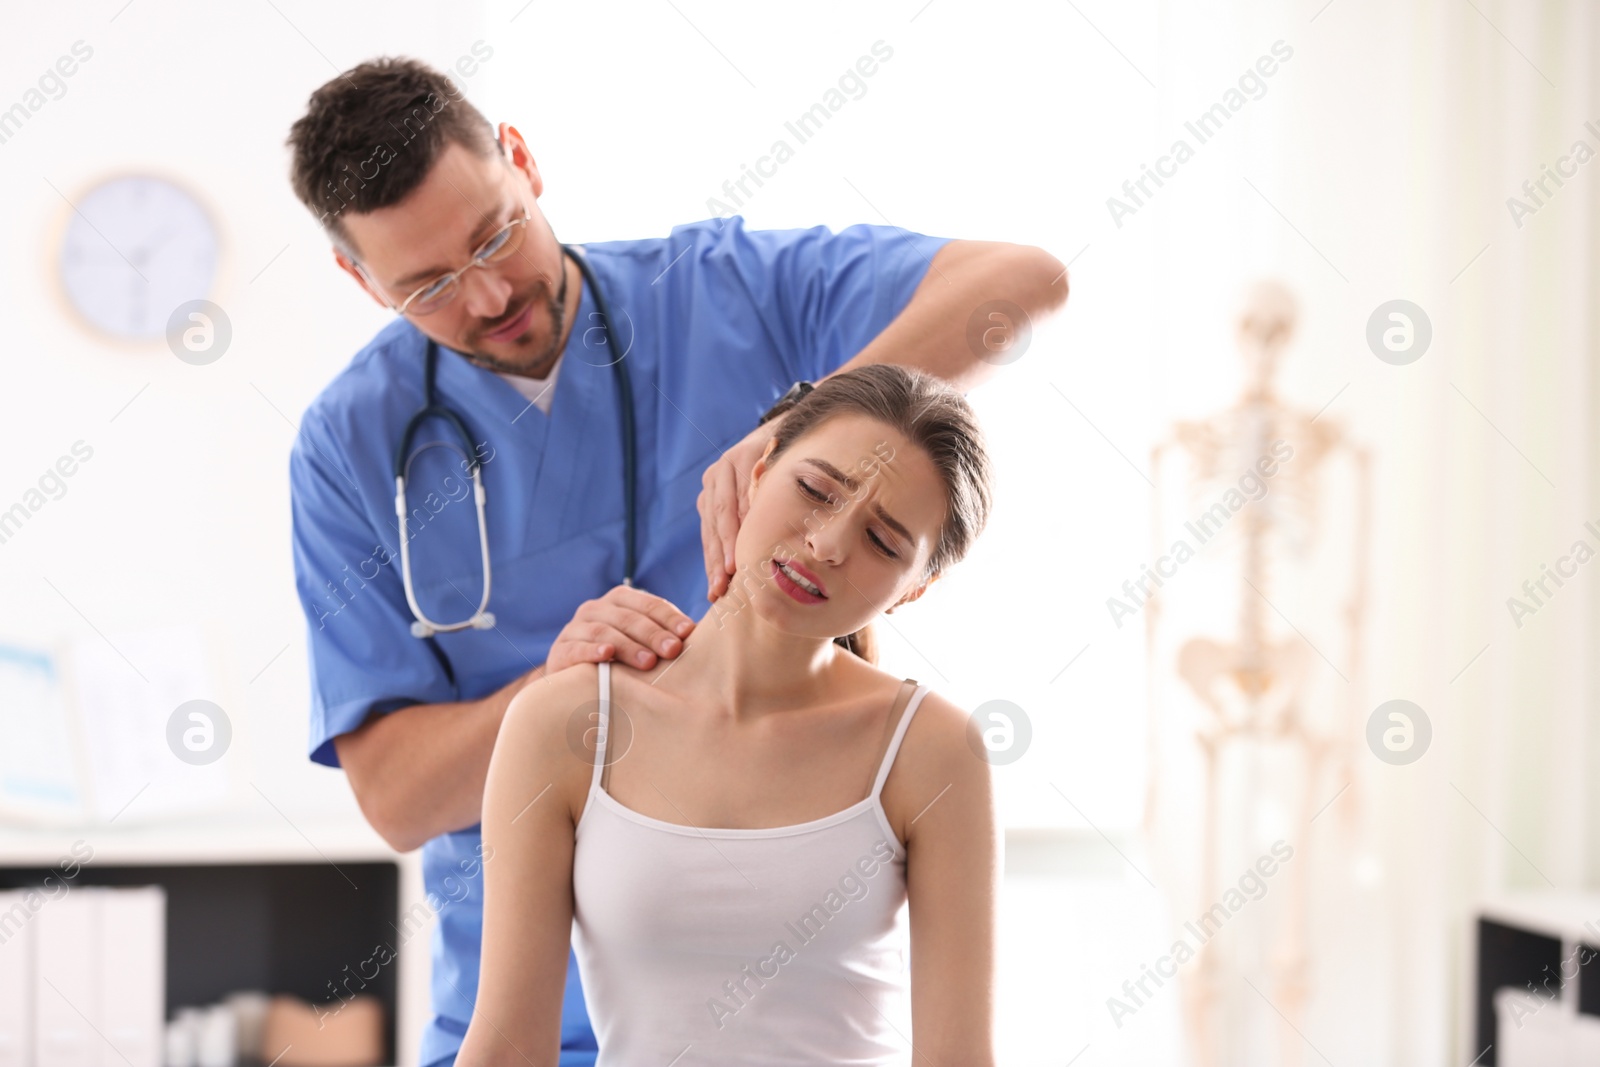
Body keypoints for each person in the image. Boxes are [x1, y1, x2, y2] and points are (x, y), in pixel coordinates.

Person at [283, 56, 1065, 1067]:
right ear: (360, 280)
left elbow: (1023, 283)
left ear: (521, 160)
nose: (487, 296)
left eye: (495, 234)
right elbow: (394, 795)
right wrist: (562, 695)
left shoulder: (717, 292)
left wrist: (808, 429)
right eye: (427, 286)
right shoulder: (352, 444)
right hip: (509, 1008)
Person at [461, 364, 999, 1067]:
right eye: (815, 490)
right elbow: (507, 1045)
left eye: (884, 542)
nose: (829, 542)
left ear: (915, 589)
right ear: (756, 471)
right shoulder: (562, 723)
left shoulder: (932, 749)